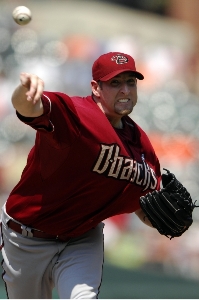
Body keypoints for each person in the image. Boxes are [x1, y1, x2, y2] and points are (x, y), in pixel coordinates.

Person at [1, 51, 161, 299]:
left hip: (81, 240)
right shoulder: (75, 114)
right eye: (115, 83)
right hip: (26, 238)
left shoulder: (141, 146)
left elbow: (145, 205)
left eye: (131, 82)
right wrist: (24, 93)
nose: (126, 90)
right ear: (96, 88)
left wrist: (163, 218)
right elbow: (31, 107)